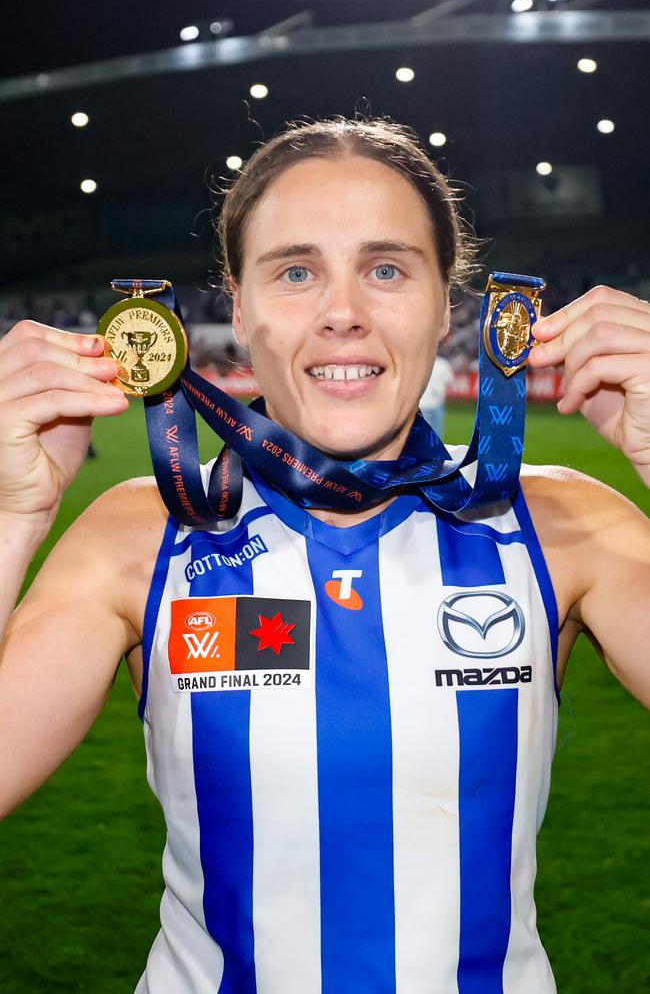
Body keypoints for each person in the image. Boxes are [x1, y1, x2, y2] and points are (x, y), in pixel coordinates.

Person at [1, 117, 649, 994]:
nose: (343, 313)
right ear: (237, 307)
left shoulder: (561, 522)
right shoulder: (141, 536)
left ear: (445, 304)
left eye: (386, 269)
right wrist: (11, 515)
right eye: (296, 271)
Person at [419, 351, 454, 439]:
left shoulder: (443, 364)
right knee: (431, 433)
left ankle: (432, 450)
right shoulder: (422, 363)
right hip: (425, 403)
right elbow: (450, 382)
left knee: (435, 432)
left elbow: (450, 381)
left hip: (435, 403)